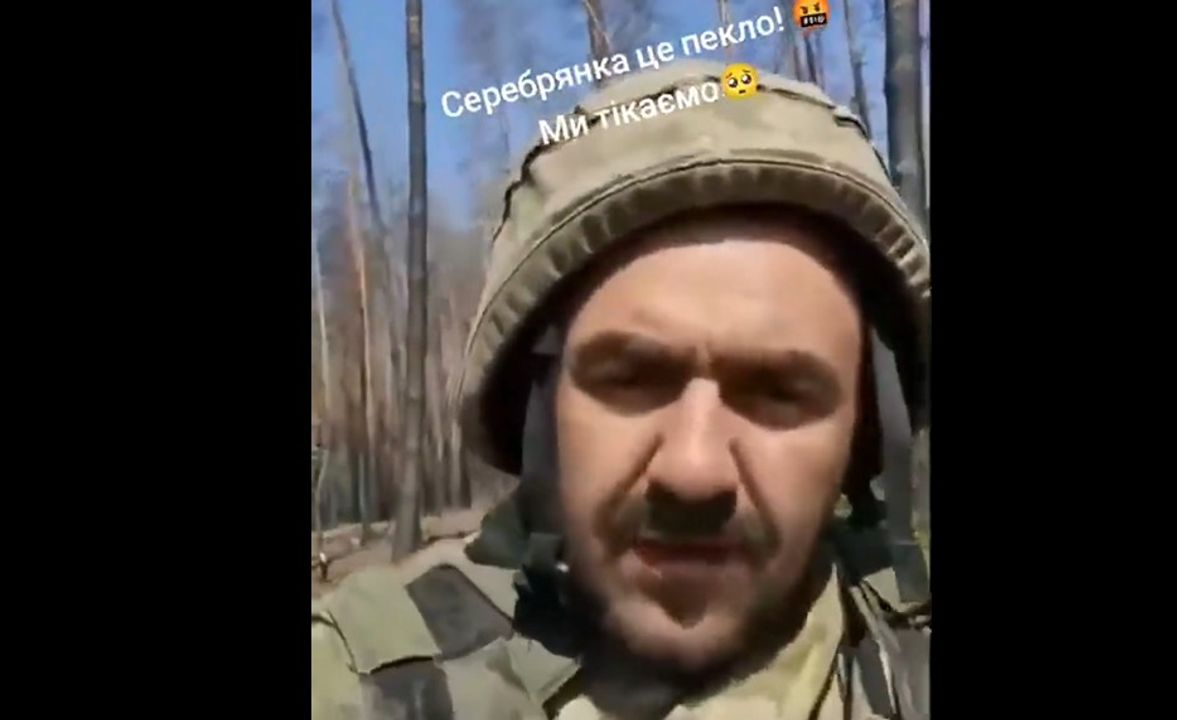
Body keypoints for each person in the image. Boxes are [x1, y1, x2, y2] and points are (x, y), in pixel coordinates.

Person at [311, 59, 931, 720]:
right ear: (539, 404)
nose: (693, 470)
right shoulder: (371, 686)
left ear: (863, 431)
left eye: (778, 392)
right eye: (631, 379)